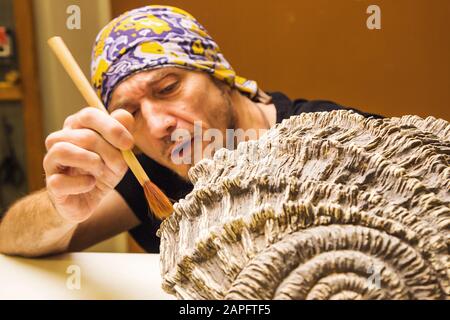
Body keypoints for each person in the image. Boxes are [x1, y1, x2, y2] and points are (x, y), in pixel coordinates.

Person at [0, 5, 382, 256]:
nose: (157, 125)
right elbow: (12, 241)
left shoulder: (336, 140)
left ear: (220, 77)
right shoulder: (151, 173)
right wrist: (59, 207)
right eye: (129, 111)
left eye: (168, 88)